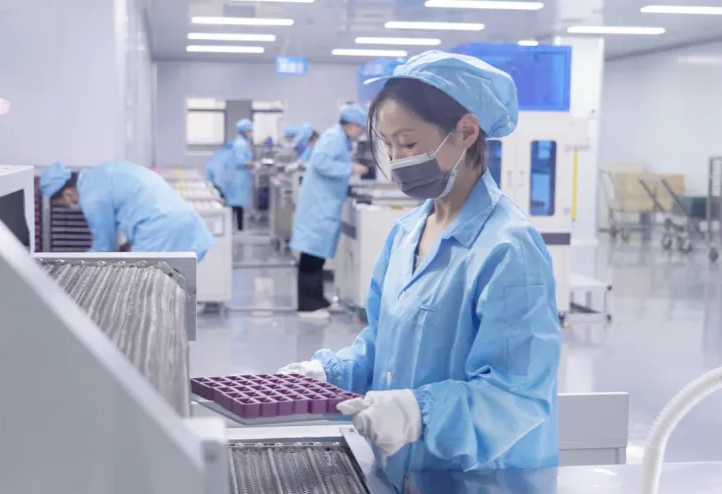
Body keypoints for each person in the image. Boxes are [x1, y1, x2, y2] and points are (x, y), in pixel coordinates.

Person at [278, 50, 561, 484]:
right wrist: (329, 374)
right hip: (402, 472)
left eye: (408, 144)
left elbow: (517, 394)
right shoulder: (406, 233)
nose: (396, 160)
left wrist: (418, 413)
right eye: (388, 145)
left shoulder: (508, 249)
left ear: (465, 132)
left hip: (478, 481)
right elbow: (383, 347)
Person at [39, 161, 214, 260]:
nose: (70, 205)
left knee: (144, 287)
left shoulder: (91, 198)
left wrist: (70, 266)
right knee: (169, 286)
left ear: (68, 193)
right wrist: (129, 245)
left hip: (158, 228)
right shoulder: (98, 174)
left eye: (64, 203)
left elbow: (102, 249)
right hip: (177, 216)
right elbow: (136, 202)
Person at [289, 105, 370, 319]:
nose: (361, 133)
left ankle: (317, 299)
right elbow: (320, 162)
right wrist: (351, 169)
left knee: (318, 256)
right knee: (311, 256)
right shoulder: (334, 138)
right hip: (318, 206)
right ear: (351, 125)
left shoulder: (339, 139)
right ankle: (307, 306)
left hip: (323, 204)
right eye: (360, 128)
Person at [225, 118, 255, 231]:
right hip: (238, 177)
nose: (251, 132)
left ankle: (235, 228)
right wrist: (256, 164)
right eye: (249, 130)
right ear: (244, 131)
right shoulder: (241, 144)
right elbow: (241, 162)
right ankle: (238, 229)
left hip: (236, 176)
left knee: (236, 204)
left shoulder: (240, 142)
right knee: (237, 204)